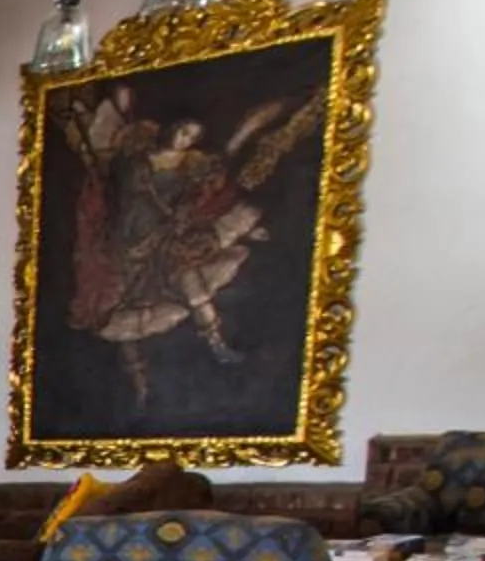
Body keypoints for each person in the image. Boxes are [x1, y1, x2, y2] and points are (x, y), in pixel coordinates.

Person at [56, 82, 321, 408]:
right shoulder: (135, 158)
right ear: (172, 128)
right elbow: (110, 182)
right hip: (125, 241)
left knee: (189, 279)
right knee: (121, 313)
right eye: (184, 133)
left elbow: (205, 198)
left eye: (193, 137)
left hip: (165, 237)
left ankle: (217, 345)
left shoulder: (193, 166)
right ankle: (139, 388)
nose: (186, 140)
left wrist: (238, 225)